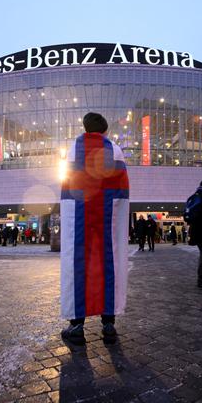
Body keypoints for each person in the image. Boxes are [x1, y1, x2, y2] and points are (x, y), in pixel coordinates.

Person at [60, 112, 130, 345]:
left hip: (79, 220)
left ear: (85, 127)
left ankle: (77, 326)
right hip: (108, 220)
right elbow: (121, 190)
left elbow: (69, 187)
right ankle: (108, 325)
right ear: (105, 129)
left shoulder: (73, 149)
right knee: (110, 264)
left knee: (78, 265)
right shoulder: (115, 150)